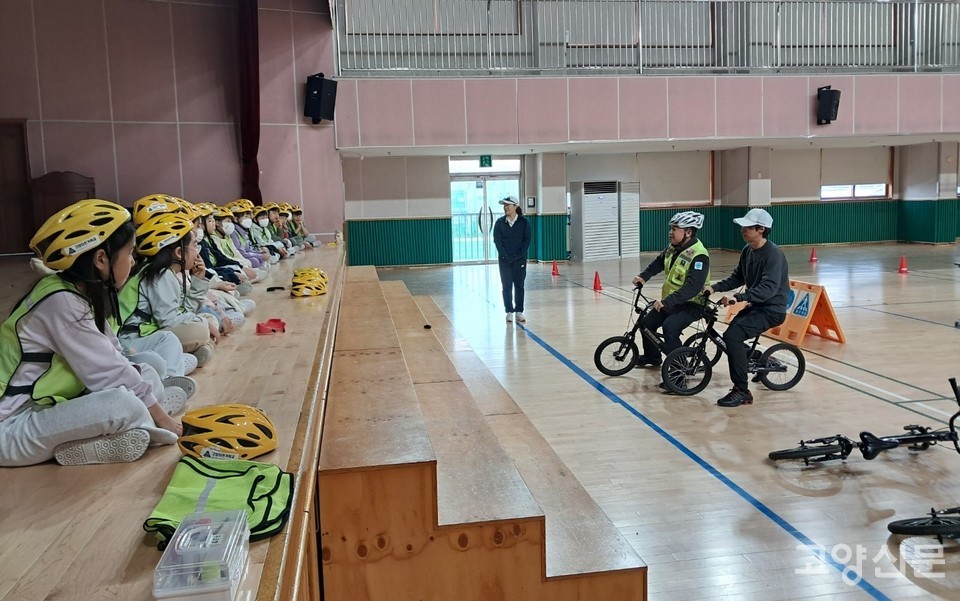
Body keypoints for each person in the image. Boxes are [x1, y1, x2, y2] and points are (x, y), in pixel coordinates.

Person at [0, 200, 183, 467]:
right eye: (130, 252)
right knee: (122, 404)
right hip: (12, 426)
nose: (133, 262)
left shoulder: (74, 292)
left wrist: (145, 393)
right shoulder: (61, 302)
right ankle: (137, 427)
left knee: (149, 370)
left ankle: (104, 437)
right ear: (100, 259)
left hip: (50, 405)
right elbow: (108, 371)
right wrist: (161, 416)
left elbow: (114, 354)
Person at [704, 208, 789, 408]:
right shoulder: (748, 250)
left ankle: (742, 391)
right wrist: (714, 287)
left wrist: (738, 297)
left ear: (761, 229)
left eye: (748, 227)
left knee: (733, 337)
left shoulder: (773, 255)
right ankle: (763, 360)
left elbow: (768, 289)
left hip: (771, 310)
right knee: (730, 336)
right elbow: (738, 277)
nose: (743, 230)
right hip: (756, 306)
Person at [631, 211, 710, 384]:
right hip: (673, 301)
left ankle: (679, 373)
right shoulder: (672, 248)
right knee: (646, 324)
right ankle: (653, 357)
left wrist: (667, 302)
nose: (671, 232)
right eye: (671, 228)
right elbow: (658, 262)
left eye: (675, 228)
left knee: (670, 328)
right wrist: (643, 276)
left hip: (692, 304)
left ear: (688, 232)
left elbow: (693, 287)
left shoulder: (699, 255)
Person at [492, 195, 531, 323]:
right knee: (506, 286)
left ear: (515, 206)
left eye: (508, 205)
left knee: (519, 285)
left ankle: (519, 311)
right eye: (504, 205)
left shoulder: (524, 223)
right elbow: (497, 241)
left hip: (520, 260)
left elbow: (526, 241)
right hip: (504, 261)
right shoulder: (499, 223)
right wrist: (505, 256)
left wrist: (519, 256)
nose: (505, 207)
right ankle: (509, 311)